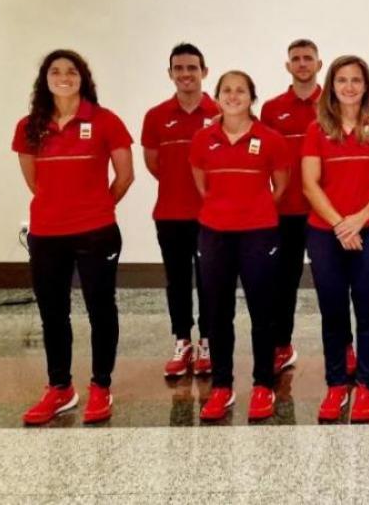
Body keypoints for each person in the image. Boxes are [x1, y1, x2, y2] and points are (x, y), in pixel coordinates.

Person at [15, 50, 135, 425]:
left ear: (83, 78)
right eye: (55, 71)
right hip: (47, 234)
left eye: (71, 71)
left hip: (97, 233)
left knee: (101, 309)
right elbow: (34, 181)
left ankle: (101, 385)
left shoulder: (105, 121)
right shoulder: (29, 126)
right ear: (45, 79)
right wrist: (59, 209)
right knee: (53, 314)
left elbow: (125, 176)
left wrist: (98, 208)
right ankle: (60, 388)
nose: (63, 77)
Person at [303, 55, 369, 423]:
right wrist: (340, 225)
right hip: (325, 233)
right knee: (332, 311)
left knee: (367, 309)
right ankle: (336, 385)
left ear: (366, 86)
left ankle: (364, 386)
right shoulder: (317, 130)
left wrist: (359, 219)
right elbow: (309, 184)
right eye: (342, 80)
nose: (349, 86)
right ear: (331, 86)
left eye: (356, 80)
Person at [189, 70, 289, 422]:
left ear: (251, 97)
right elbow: (202, 185)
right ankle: (222, 386)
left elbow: (280, 186)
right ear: (217, 97)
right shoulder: (203, 139)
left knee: (263, 312)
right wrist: (226, 211)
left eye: (241, 90)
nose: (233, 96)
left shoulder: (270, 138)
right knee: (218, 312)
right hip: (215, 234)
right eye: (227, 90)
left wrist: (253, 211)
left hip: (259, 233)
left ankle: (263, 384)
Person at [141, 43, 220, 378]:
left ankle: (208, 341)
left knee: (210, 281)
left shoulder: (221, 112)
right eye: (179, 68)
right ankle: (182, 340)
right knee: (177, 281)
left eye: (192, 68)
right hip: (170, 215)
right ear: (170, 73)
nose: (186, 74)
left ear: (204, 72)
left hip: (212, 217)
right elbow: (154, 164)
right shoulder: (156, 116)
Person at [260, 39, 324, 375]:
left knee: (333, 284)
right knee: (283, 283)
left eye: (308, 58)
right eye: (296, 59)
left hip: (326, 213)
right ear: (288, 66)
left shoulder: (333, 103)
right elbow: (264, 158)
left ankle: (344, 347)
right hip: (285, 212)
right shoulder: (272, 109)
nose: (302, 64)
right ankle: (281, 346)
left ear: (319, 64)